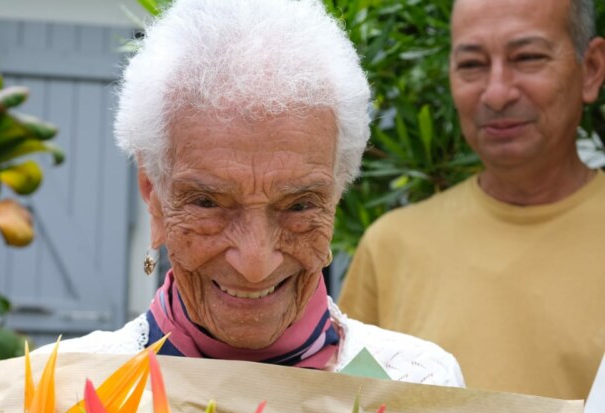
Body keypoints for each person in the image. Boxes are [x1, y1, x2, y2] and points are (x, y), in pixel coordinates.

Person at [35, 0, 464, 388]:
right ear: (154, 193)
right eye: (208, 202)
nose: (255, 263)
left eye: (298, 205)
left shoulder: (419, 385)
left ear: (337, 193)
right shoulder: (55, 393)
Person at [339, 0, 605, 400]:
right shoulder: (392, 246)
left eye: (528, 57)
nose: (496, 93)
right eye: (472, 65)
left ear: (591, 69)